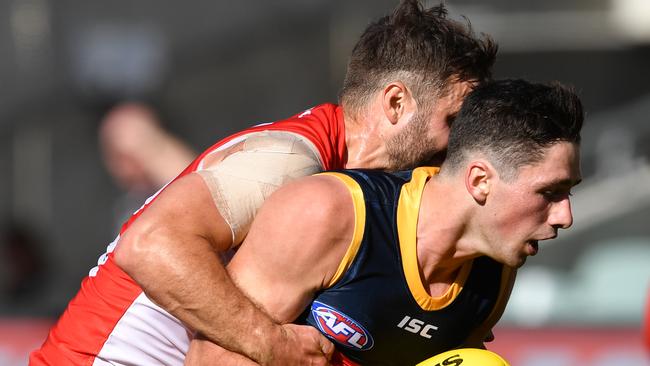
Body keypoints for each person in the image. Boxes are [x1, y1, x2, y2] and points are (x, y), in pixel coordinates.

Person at [30, 1, 497, 365]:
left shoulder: (355, 190)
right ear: (396, 104)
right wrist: (269, 342)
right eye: (453, 120)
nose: (458, 146)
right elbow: (149, 244)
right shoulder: (293, 158)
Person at [186, 78, 584, 365]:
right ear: (480, 181)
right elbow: (211, 357)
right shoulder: (332, 212)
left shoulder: (493, 279)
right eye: (550, 192)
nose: (565, 215)